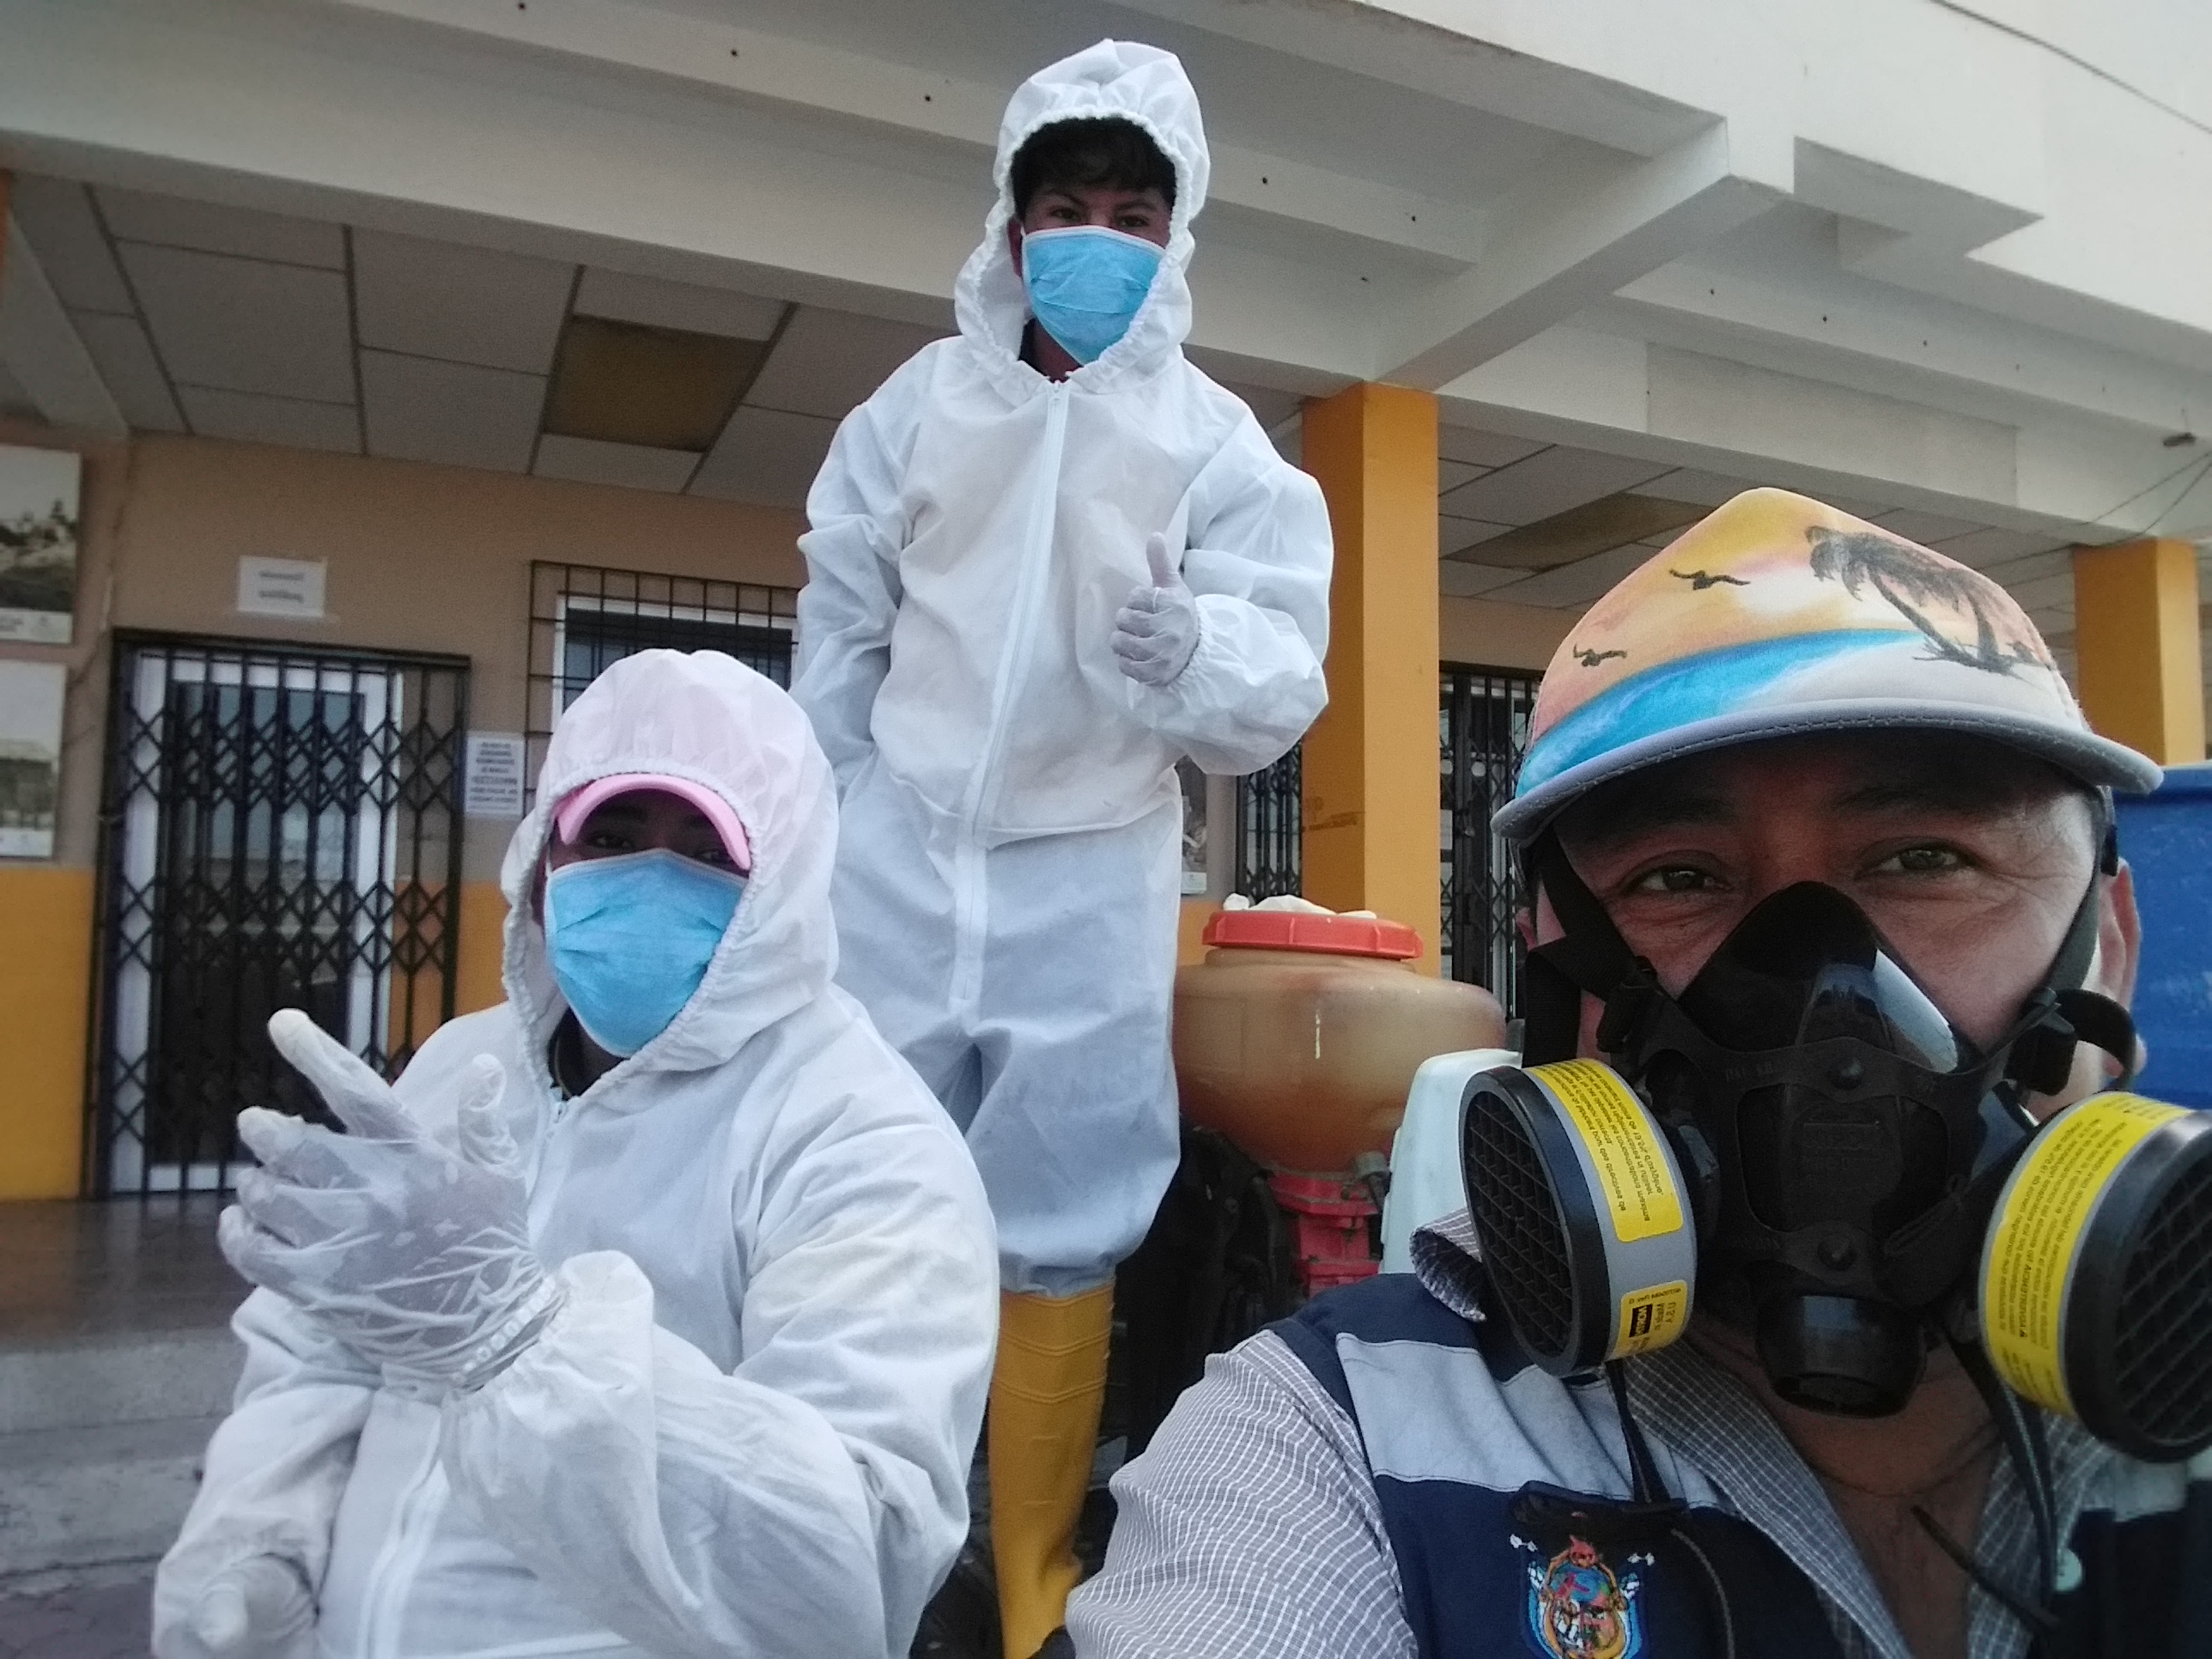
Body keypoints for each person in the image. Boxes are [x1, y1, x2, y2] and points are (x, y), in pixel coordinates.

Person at [1067, 488, 2210, 1659]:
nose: (1823, 994)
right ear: (1556, 977)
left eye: (1924, 859)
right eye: (1676, 878)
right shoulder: (1337, 1437)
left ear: (2110, 945)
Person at [791, 37, 1331, 1656]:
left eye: (1133, 214)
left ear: (1179, 231)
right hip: (896, 857)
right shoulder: (916, 409)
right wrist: (823, 820)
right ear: (1011, 223)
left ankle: (1028, 1562)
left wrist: (1202, 653)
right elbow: (841, 626)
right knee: (857, 1193)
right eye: (1067, 208)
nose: (1099, 240)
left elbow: (1278, 681)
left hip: (1088, 874)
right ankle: (841, 1545)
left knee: (1059, 1226)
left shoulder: (1214, 443)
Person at [152, 649, 1000, 1659]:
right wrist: (260, 1540)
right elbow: (320, 1345)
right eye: (612, 834)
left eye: (706, 849)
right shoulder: (462, 1066)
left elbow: (847, 1568)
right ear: (544, 858)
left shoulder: (859, 1138)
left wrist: (521, 1346)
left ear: (783, 877)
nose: (652, 874)